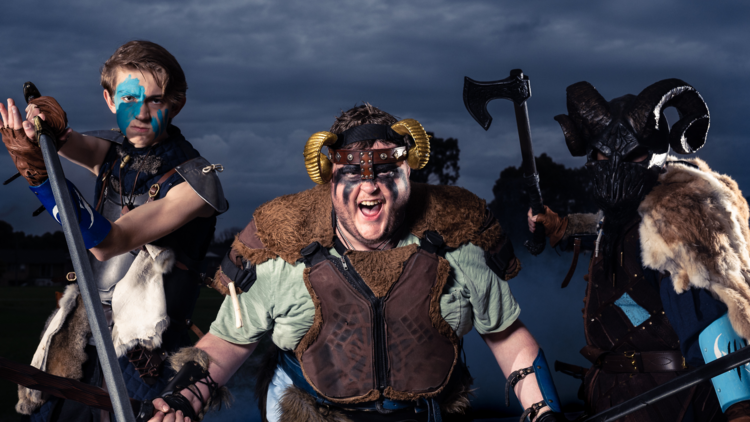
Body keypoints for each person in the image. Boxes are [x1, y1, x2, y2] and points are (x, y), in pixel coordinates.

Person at [145, 104, 567, 422]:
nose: (371, 186)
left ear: (407, 174)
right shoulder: (282, 261)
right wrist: (185, 398)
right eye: (353, 173)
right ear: (330, 182)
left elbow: (509, 340)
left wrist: (544, 413)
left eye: (386, 170)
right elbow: (229, 343)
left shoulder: (461, 252)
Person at [0, 40, 227, 422]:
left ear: (176, 104)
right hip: (81, 332)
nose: (140, 112)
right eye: (127, 98)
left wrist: (41, 178)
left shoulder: (197, 185)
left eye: (155, 100)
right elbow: (64, 138)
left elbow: (110, 242)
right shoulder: (113, 151)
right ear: (109, 100)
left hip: (146, 353)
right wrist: (41, 130)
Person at [528, 79, 750, 421]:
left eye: (632, 155)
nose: (614, 164)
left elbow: (709, 320)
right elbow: (612, 229)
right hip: (613, 396)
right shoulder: (627, 218)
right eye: (602, 153)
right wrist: (563, 227)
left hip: (672, 401)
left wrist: (738, 408)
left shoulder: (675, 219)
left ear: (657, 154)